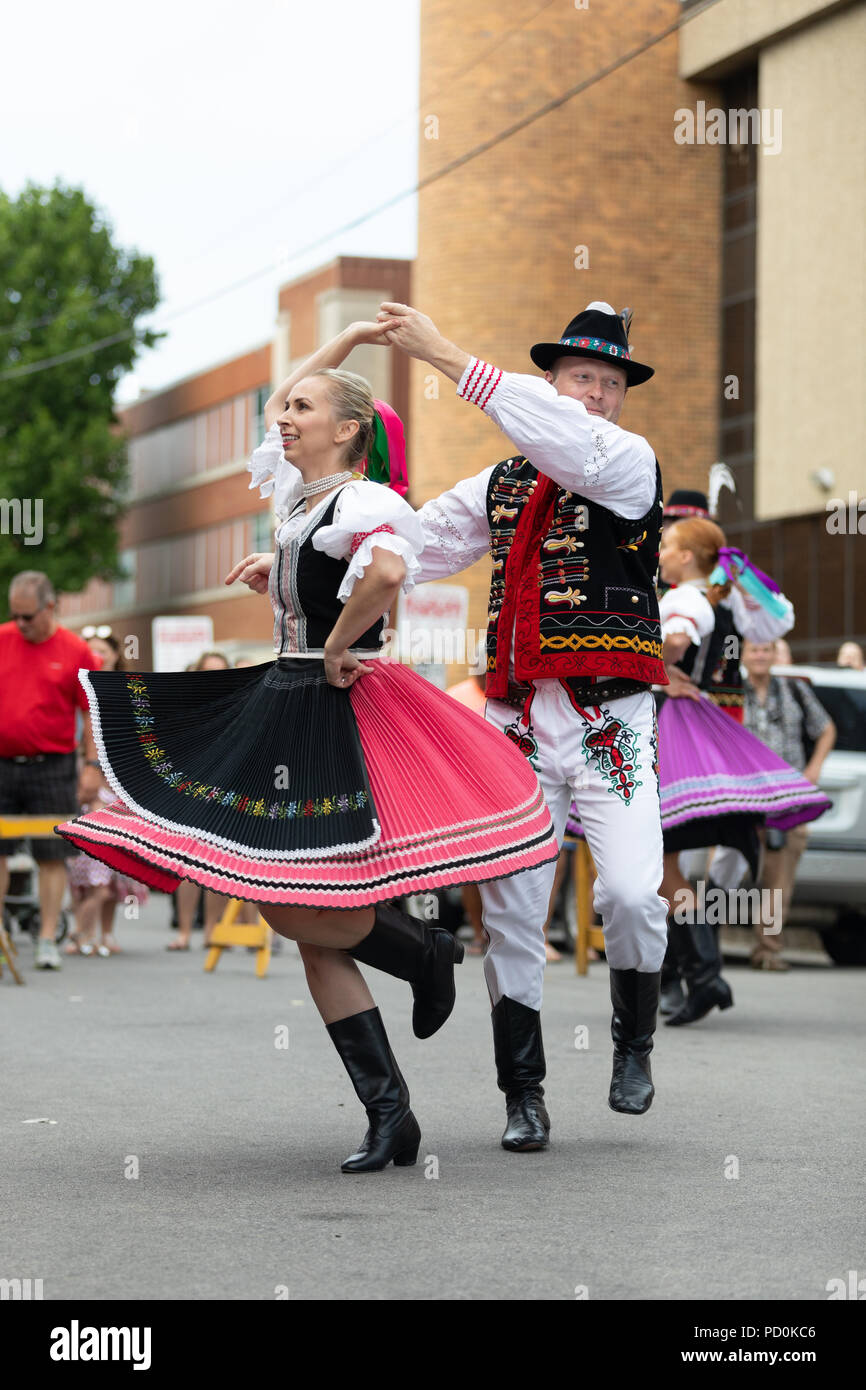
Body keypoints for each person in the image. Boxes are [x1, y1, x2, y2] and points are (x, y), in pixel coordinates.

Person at [57, 319, 557, 1174]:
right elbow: (295, 441)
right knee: (296, 916)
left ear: (350, 430)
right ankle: (393, 1094)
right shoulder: (297, 500)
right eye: (283, 407)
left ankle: (417, 987)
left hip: (341, 701)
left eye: (302, 408)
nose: (283, 418)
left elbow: (391, 574)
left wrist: (338, 642)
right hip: (288, 696)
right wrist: (354, 337)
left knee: (300, 911)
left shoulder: (365, 501)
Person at [379, 298, 672, 1142]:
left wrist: (444, 354)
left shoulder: (628, 461)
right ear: (550, 382)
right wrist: (311, 556)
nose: (596, 394)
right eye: (581, 377)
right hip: (514, 715)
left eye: (611, 383)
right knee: (511, 907)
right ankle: (523, 1094)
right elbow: (414, 545)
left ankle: (634, 1040)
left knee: (629, 892)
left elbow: (571, 446)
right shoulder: (499, 483)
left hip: (609, 714)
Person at [655, 521, 831, 1019]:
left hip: (677, 735)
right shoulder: (729, 601)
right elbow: (778, 619)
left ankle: (699, 976)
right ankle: (703, 976)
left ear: (689, 557)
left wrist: (661, 668)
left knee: (662, 860)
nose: (660, 554)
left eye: (668, 547)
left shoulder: (684, 598)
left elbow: (675, 638)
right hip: (712, 737)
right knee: (671, 865)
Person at [0, 572, 102, 970]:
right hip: (3, 762)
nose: (21, 624)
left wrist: (92, 766)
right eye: (16, 616)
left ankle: (46, 939)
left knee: (50, 854)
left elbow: (92, 711)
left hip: (53, 764)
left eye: (28, 617)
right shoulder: (3, 639)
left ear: (50, 607)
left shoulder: (76, 650)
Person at [741, 639, 836, 969]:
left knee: (779, 878)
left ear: (774, 655)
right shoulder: (732, 690)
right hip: (741, 796)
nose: (760, 655)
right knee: (723, 869)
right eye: (754, 649)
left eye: (766, 650)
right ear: (743, 654)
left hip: (789, 799)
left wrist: (814, 769)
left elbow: (826, 729)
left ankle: (768, 949)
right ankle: (701, 948)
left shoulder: (794, 690)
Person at [65, 630, 148, 956]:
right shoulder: (76, 691)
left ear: (116, 656)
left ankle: (105, 934)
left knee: (113, 871)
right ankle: (81, 932)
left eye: (103, 651)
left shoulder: (127, 692)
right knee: (82, 868)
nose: (97, 657)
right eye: (91, 651)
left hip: (120, 788)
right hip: (85, 786)